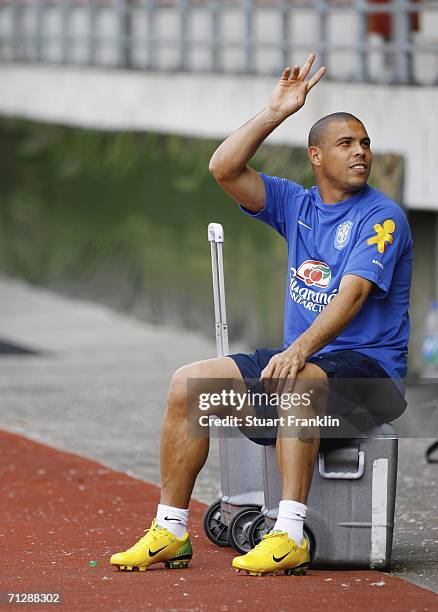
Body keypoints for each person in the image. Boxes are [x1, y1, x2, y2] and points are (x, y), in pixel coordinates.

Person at [109, 52, 412, 576]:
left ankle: (289, 533)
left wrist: (297, 350)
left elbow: (354, 295)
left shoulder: (382, 216)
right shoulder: (296, 204)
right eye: (346, 144)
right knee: (188, 385)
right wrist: (276, 112)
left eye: (364, 143)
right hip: (306, 366)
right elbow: (223, 168)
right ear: (316, 156)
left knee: (298, 381)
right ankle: (171, 529)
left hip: (370, 379)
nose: (361, 152)